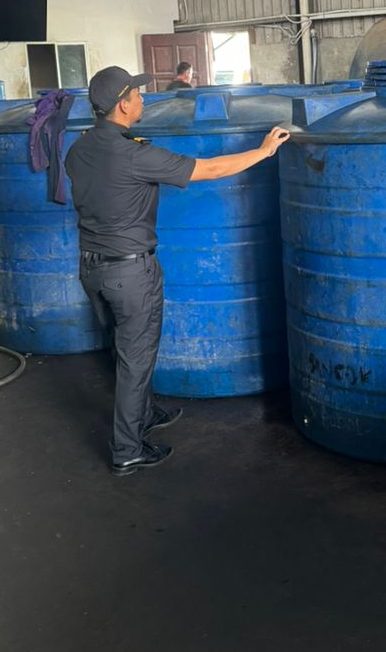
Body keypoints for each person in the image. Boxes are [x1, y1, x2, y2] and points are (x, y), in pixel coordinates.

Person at [65, 65, 289, 476]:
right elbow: (210, 169)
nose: (142, 99)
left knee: (122, 349)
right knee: (136, 359)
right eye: (136, 95)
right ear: (122, 105)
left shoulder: (78, 150)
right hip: (131, 273)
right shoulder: (134, 154)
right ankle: (127, 449)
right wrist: (263, 151)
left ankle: (145, 413)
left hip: (91, 268)